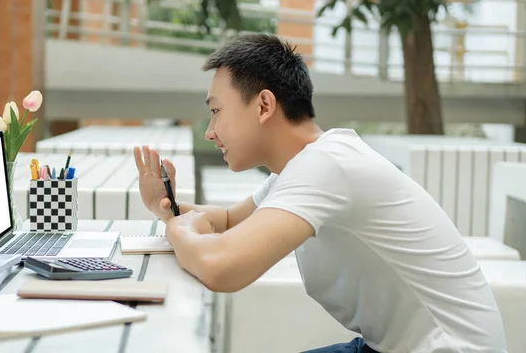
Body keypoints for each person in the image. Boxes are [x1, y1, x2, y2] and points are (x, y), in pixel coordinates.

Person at [133, 33, 507, 353]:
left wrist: (176, 229)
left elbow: (221, 267)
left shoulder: (326, 166)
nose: (209, 131)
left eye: (216, 111)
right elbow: (227, 221)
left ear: (264, 105)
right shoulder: (302, 167)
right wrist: (165, 207)